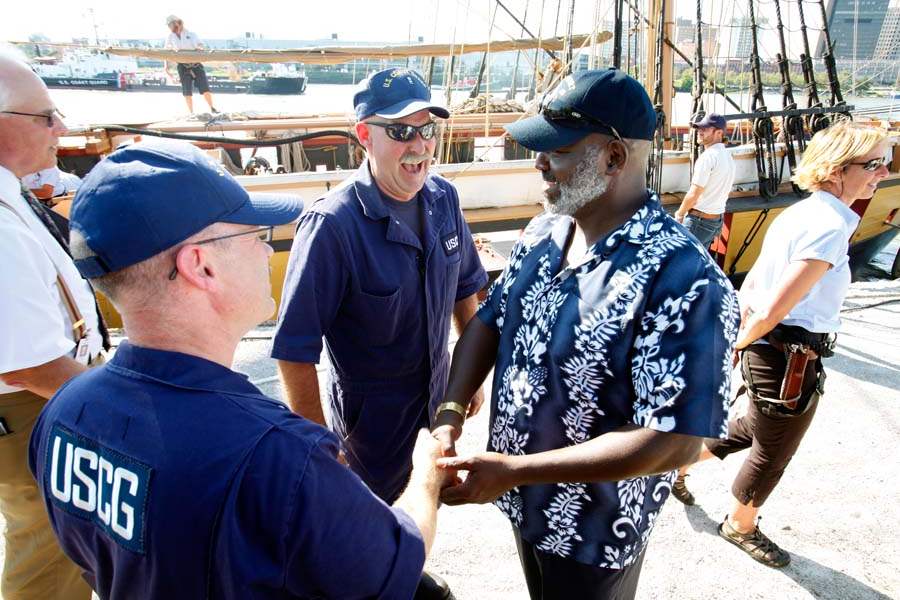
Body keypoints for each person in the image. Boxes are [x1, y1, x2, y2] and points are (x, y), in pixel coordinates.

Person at [29, 139, 452, 599]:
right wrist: (426, 470)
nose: (266, 252)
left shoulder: (63, 413)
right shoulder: (278, 457)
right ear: (201, 265)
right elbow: (392, 561)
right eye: (254, 234)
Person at [431, 68, 740, 600]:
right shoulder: (545, 230)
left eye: (557, 151)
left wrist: (515, 470)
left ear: (614, 157)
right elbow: (490, 320)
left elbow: (677, 439)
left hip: (594, 530)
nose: (539, 162)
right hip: (522, 500)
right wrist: (450, 417)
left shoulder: (685, 277)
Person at [671, 120, 889, 568]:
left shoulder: (802, 212)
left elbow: (755, 289)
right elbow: (773, 308)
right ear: (836, 169)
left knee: (752, 427)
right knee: (775, 448)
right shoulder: (829, 226)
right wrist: (735, 348)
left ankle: (675, 465)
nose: (883, 173)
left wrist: (741, 342)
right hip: (787, 352)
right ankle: (740, 523)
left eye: (886, 163)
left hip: (771, 346)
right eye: (874, 164)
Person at [0, 47, 104, 600]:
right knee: (50, 548)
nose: (59, 126)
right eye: (44, 116)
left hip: (47, 393)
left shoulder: (12, 195)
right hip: (39, 401)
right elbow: (31, 363)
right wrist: (115, 407)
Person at [674, 113, 735, 248]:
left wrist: (679, 214)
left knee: (681, 265)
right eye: (699, 129)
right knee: (699, 263)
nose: (700, 132)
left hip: (699, 222)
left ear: (719, 133)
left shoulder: (708, 157)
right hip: (715, 220)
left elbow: (694, 193)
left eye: (705, 129)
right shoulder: (728, 156)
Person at [164, 14, 218, 114]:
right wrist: (166, 67)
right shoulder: (170, 37)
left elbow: (201, 45)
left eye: (170, 24)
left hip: (196, 64)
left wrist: (199, 48)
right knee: (186, 92)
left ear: (176, 23)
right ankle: (191, 112)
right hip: (182, 66)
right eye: (168, 25)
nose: (169, 27)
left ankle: (212, 108)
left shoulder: (191, 34)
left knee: (205, 88)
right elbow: (166, 52)